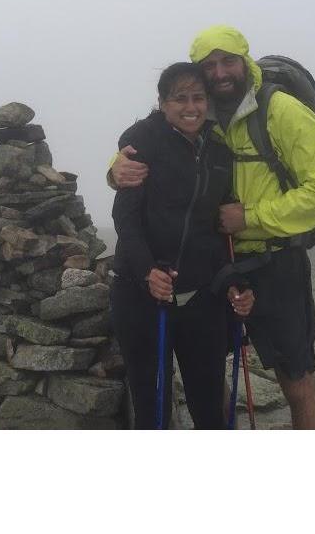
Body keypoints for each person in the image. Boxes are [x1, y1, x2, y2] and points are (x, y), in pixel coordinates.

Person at [111, 26, 315, 429]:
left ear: (246, 60)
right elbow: (143, 161)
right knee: (210, 374)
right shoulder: (207, 119)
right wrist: (115, 172)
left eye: (228, 61)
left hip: (275, 260)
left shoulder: (281, 110)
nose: (220, 73)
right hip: (222, 269)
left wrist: (251, 217)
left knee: (295, 378)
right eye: (210, 65)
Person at [110, 61, 254, 429]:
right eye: (180, 99)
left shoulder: (218, 151)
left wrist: (235, 283)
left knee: (209, 403)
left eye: (198, 98)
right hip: (140, 295)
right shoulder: (142, 139)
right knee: (150, 403)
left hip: (201, 297)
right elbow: (126, 218)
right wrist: (147, 272)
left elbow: (220, 231)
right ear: (162, 102)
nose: (191, 107)